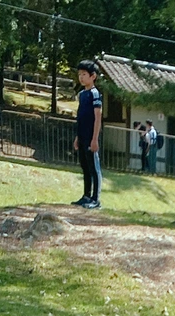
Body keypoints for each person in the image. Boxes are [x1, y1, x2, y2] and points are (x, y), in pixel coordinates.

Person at [72, 60, 103, 209]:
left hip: (91, 137)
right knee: (84, 166)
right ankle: (86, 195)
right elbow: (81, 117)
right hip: (82, 135)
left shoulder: (95, 94)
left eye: (84, 74)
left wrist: (95, 139)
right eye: (79, 74)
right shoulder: (82, 94)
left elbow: (98, 117)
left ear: (93, 76)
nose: (81, 77)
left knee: (94, 168)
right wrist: (78, 137)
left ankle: (95, 199)